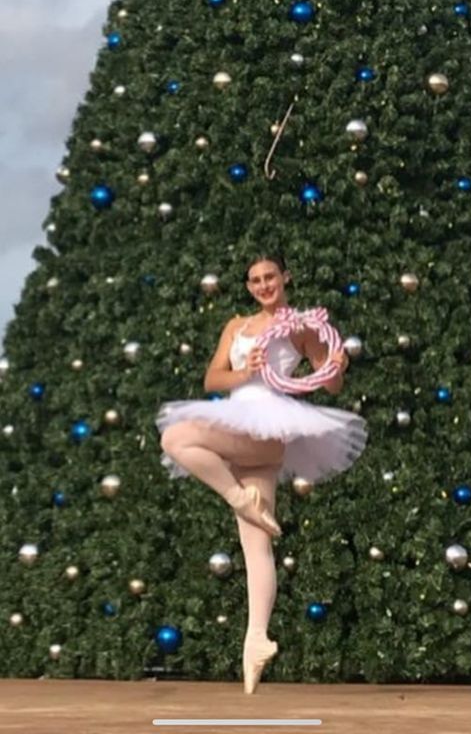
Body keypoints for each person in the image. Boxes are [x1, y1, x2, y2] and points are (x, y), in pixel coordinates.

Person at [156, 252, 368, 694]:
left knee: (174, 439)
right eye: (255, 280)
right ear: (249, 286)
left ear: (285, 278)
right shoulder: (236, 326)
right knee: (256, 547)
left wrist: (337, 364)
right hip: (236, 423)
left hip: (267, 425)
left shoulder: (301, 326)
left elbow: (328, 382)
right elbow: (212, 380)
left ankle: (238, 497)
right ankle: (256, 642)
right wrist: (244, 371)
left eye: (270, 277)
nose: (263, 285)